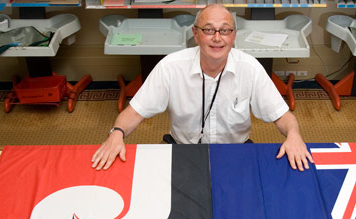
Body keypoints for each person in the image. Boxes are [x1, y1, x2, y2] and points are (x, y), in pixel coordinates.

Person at [91, 4, 314, 171]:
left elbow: (283, 116)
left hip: (235, 152)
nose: (217, 38)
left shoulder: (250, 68)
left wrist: (294, 134)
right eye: (208, 30)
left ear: (234, 36)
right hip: (183, 150)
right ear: (196, 35)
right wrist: (116, 134)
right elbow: (134, 112)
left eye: (225, 30)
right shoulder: (170, 67)